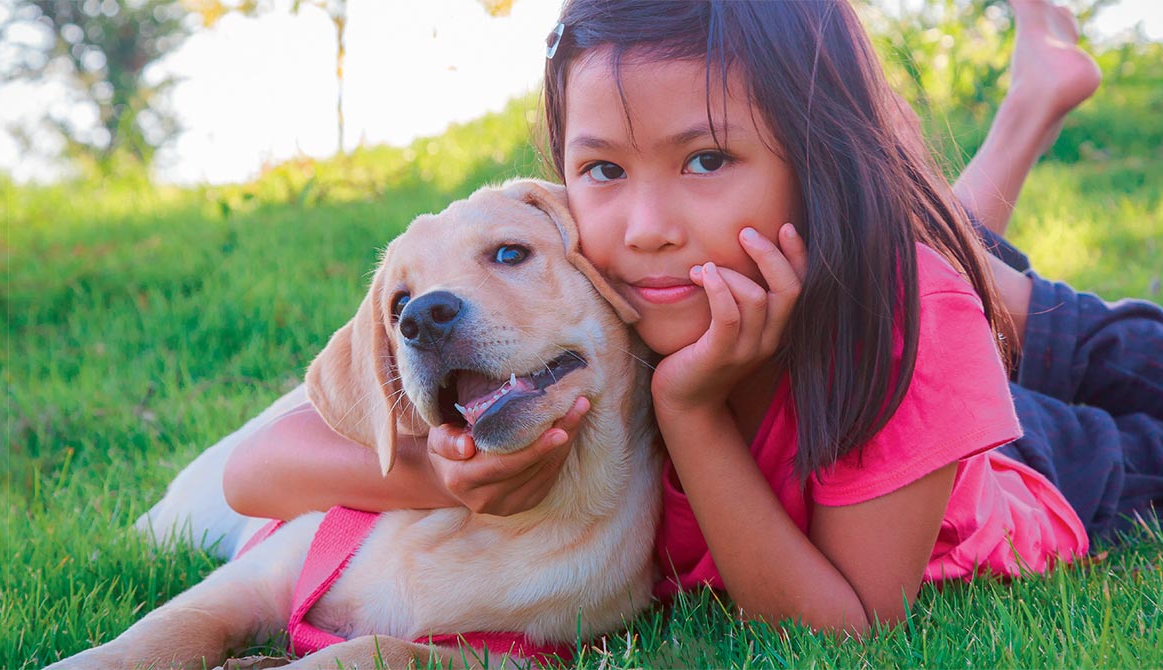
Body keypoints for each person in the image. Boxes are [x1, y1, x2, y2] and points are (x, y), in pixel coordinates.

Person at [220, 0, 1163, 635]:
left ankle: (1013, 159)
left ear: (813, 157)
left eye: (705, 158)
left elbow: (844, 629)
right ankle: (1023, 128)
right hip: (885, 320)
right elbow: (258, 469)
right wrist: (457, 474)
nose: (645, 228)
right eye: (602, 169)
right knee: (924, 273)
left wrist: (692, 412)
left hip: (1038, 454)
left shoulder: (903, 318)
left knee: (970, 296)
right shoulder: (580, 283)